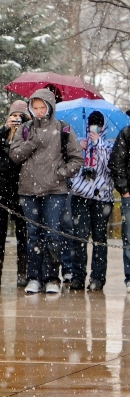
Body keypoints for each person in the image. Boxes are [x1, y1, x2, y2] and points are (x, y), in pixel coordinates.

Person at [10, 88, 84, 294]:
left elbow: (77, 159)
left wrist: (60, 173)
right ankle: (34, 277)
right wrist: (31, 142)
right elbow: (14, 155)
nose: (39, 111)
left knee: (53, 235)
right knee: (33, 236)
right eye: (35, 107)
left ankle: (52, 278)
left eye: (43, 107)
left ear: (50, 107)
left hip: (55, 190)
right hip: (28, 190)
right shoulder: (24, 128)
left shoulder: (63, 129)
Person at [69, 111, 114, 291]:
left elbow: (110, 166)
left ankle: (98, 278)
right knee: (79, 237)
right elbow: (71, 164)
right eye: (92, 124)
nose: (94, 128)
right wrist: (79, 148)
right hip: (81, 195)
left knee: (99, 238)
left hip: (102, 197)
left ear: (103, 127)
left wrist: (98, 144)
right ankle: (78, 276)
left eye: (98, 125)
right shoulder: (81, 142)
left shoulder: (109, 145)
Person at [0, 100, 30, 287]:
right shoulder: (2, 134)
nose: (16, 119)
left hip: (22, 188)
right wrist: (3, 130)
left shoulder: (28, 133)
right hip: (1, 187)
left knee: (22, 232)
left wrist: (24, 129)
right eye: (13, 115)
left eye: (20, 116)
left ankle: (22, 272)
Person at [110, 120, 130, 293]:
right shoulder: (127, 133)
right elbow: (116, 161)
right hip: (129, 195)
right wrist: (124, 190)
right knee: (129, 237)